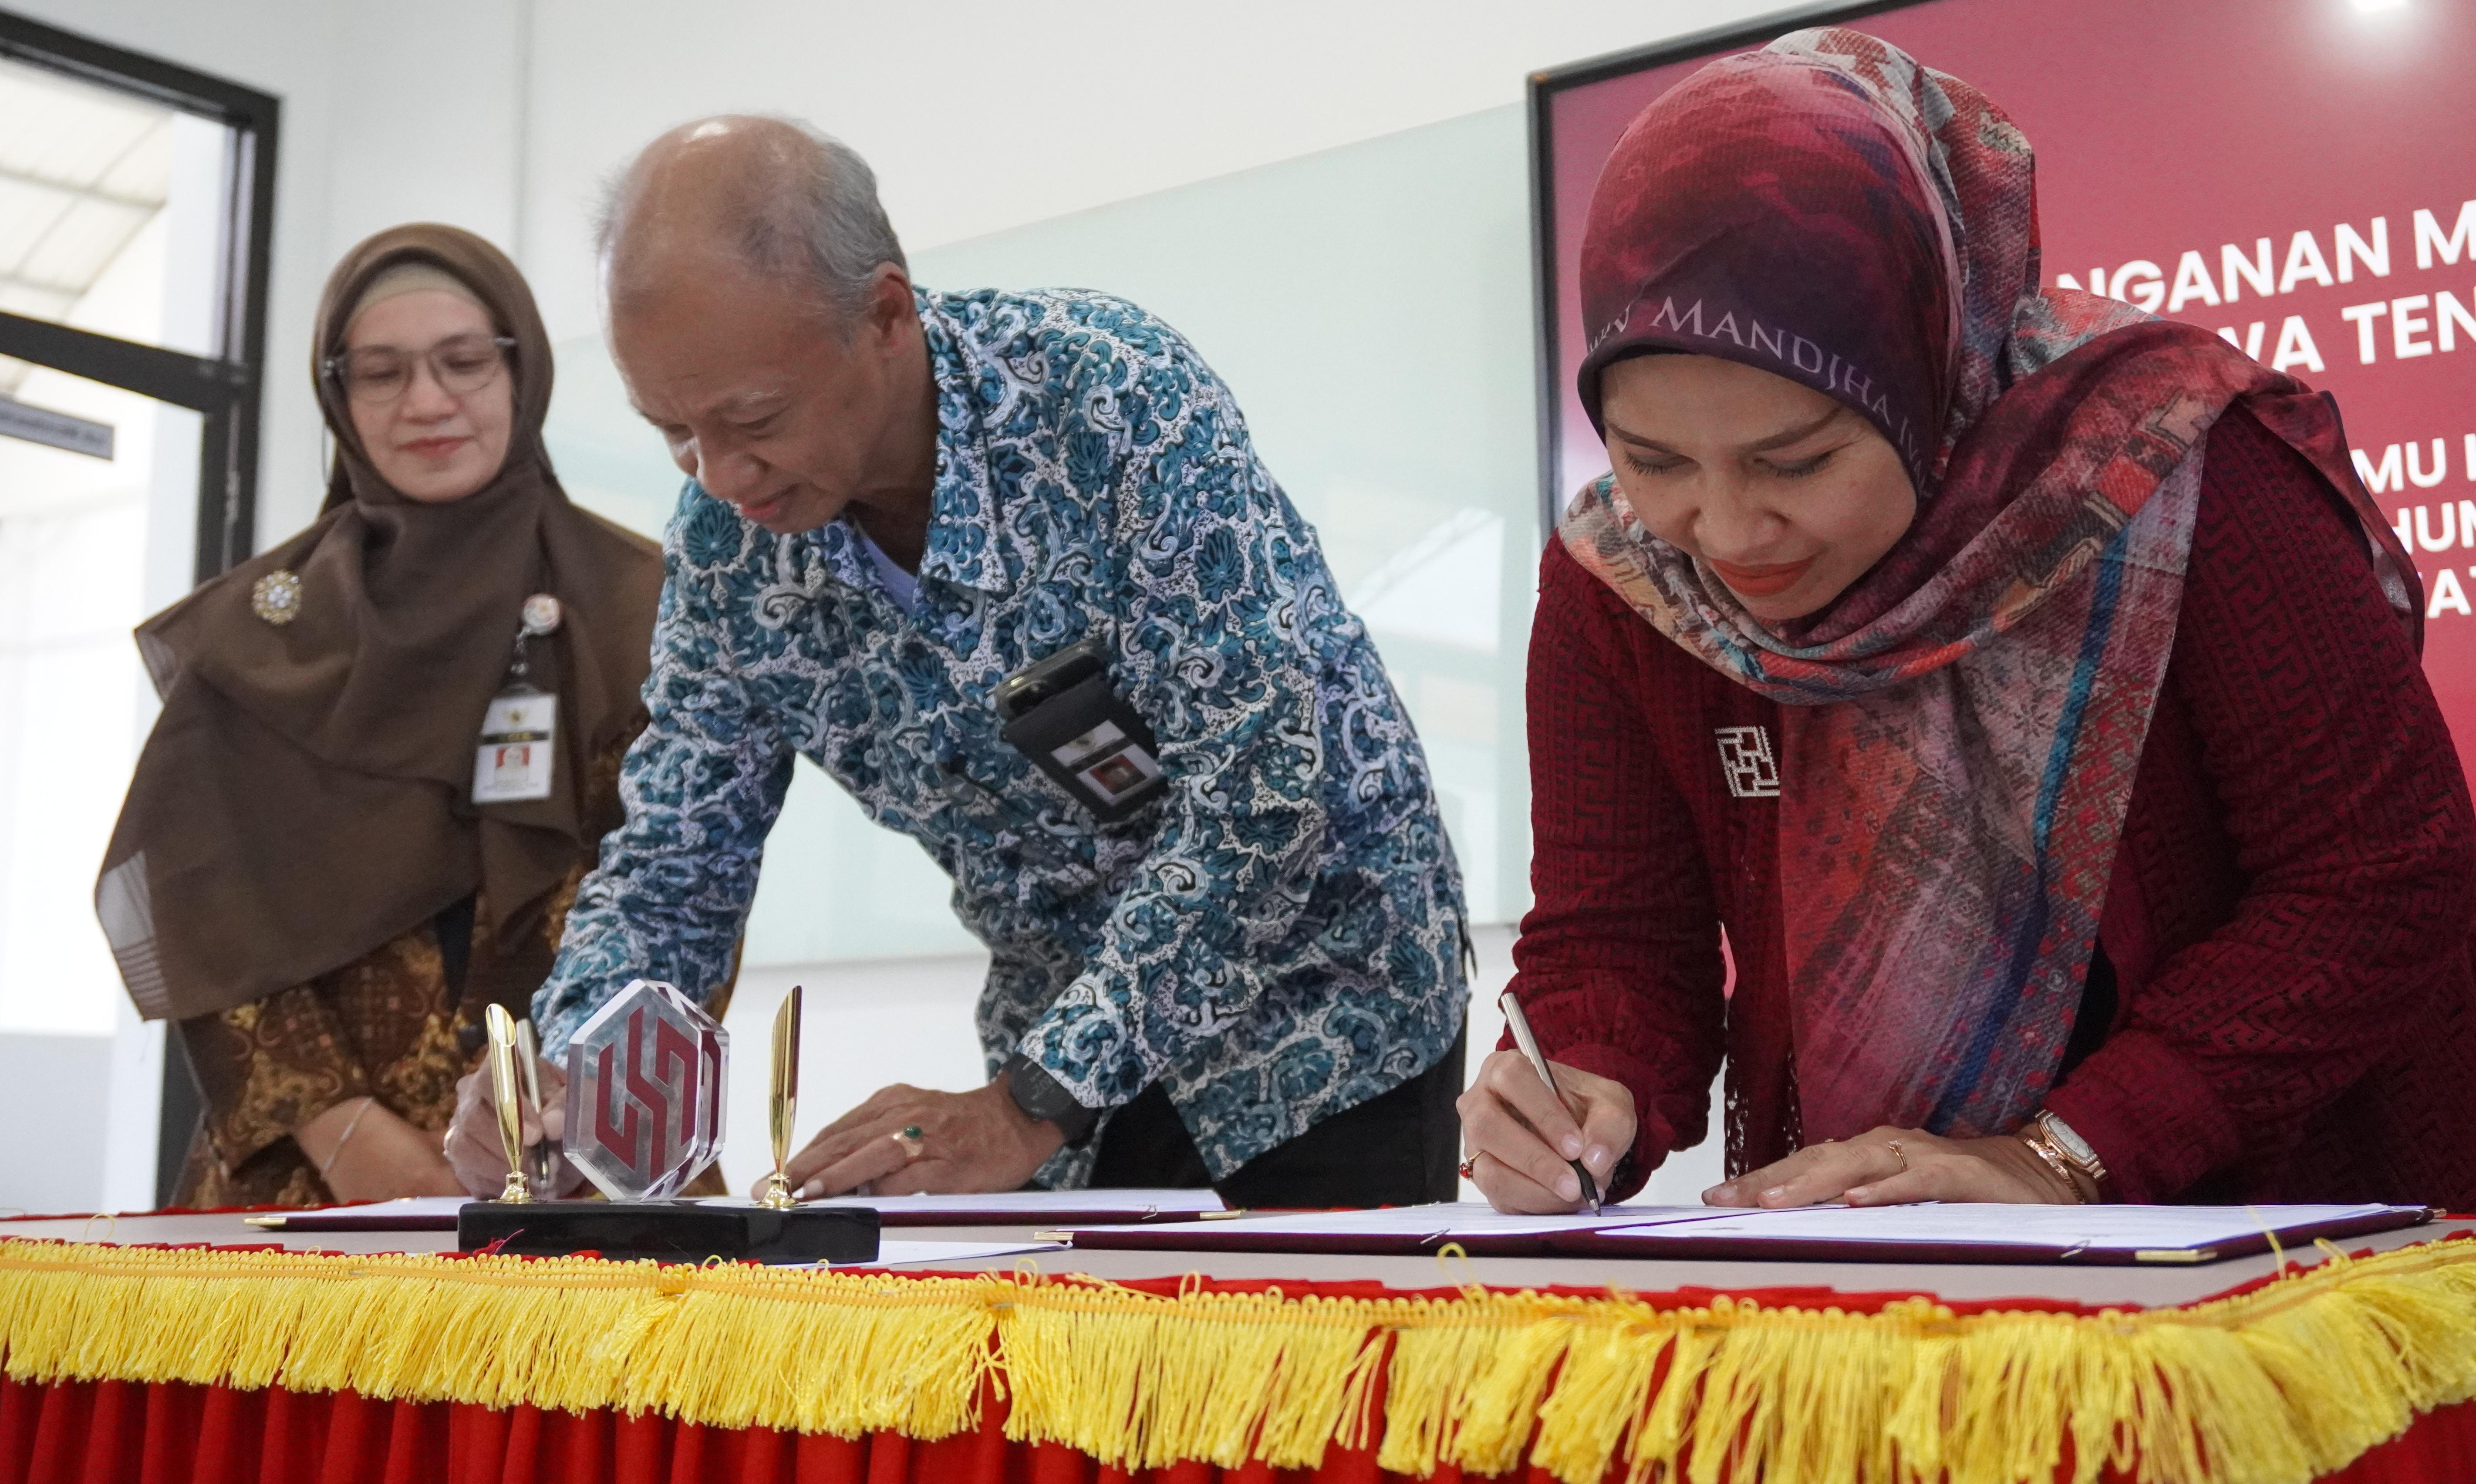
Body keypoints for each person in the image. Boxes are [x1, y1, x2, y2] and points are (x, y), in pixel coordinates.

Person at [1461, 28, 2476, 1215]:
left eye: (1797, 462)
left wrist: (2062, 1153)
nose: (1728, 531)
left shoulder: (2177, 472)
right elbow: (1618, 939)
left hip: (2311, 1238)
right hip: (1902, 1266)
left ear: (1923, 369)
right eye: (1654, 460)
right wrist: (1582, 1088)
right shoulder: (1625, 580)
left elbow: (2374, 879)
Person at [446, 116, 1468, 1207]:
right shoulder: (726, 546)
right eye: (672, 431)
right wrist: (568, 1075)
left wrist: (1034, 1096)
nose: (720, 473)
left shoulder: (1111, 399)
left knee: (1304, 1375)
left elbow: (1265, 792)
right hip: (1059, 1074)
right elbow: (676, 862)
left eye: (754, 418)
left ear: (885, 314)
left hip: (1324, 1017)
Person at [94, 224, 670, 1207]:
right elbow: (199, 901)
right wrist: (346, 1131)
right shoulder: (263, 635)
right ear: (340, 398)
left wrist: (557, 1106)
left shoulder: (638, 608)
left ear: (520, 374)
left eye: (463, 363)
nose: (428, 401)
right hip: (310, 1182)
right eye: (383, 372)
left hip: (578, 1160)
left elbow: (681, 881)